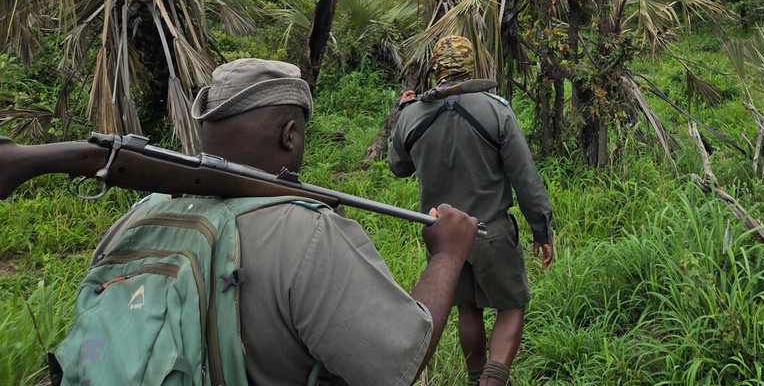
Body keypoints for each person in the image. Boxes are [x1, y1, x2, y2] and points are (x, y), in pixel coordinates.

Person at [91, 58, 478, 385]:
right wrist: (446, 254)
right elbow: (398, 367)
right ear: (289, 134)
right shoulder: (309, 234)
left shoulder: (138, 215)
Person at [388, 36, 554, 386]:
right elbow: (524, 177)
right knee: (510, 307)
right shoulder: (496, 110)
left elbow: (399, 167)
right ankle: (492, 383)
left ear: (436, 68)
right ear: (472, 66)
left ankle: (475, 377)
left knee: (468, 308)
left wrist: (402, 112)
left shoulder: (412, 114)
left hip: (442, 235)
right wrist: (541, 229)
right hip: (489, 231)